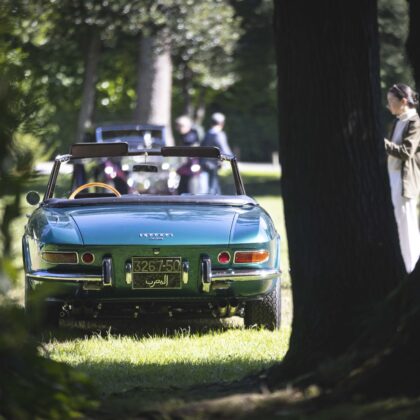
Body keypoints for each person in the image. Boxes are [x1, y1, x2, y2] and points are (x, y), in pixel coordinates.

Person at [384, 83, 420, 273]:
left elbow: (406, 152)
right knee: (397, 224)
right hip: (392, 178)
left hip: (404, 182)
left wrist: (383, 144)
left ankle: (411, 268)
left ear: (403, 101)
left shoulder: (414, 121)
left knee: (406, 226)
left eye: (391, 101)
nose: (388, 105)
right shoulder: (399, 121)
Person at [200, 112, 233, 194]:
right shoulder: (219, 134)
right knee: (213, 187)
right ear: (222, 123)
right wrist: (232, 158)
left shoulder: (207, 133)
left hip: (204, 163)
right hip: (214, 164)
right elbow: (225, 150)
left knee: (209, 186)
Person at [174, 115, 200, 194]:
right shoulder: (184, 136)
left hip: (191, 169)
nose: (178, 128)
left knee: (191, 192)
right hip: (185, 169)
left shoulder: (191, 136)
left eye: (180, 126)